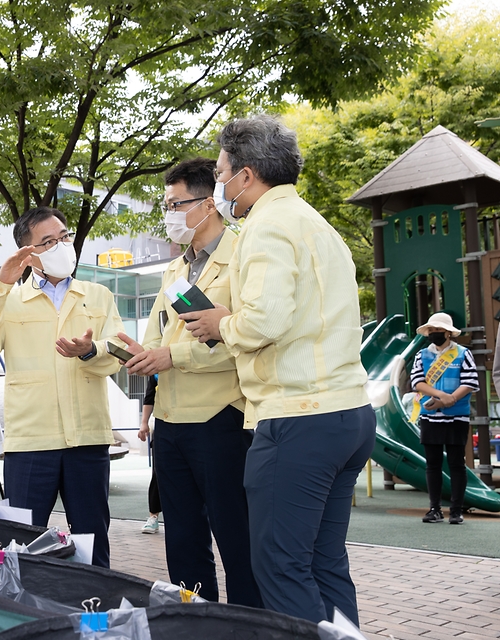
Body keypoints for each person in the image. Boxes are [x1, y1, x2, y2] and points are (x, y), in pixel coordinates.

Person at [180, 115, 376, 625]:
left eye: (221, 174)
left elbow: (265, 319)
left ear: (247, 175)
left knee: (280, 565)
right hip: (346, 412)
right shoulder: (315, 222)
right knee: (325, 562)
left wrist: (223, 322)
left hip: (297, 416)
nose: (218, 185)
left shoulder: (265, 226)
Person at [119, 158, 261, 607]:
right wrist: (134, 354)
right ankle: (195, 624)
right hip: (171, 423)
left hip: (222, 418)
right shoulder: (174, 269)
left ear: (208, 204)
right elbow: (158, 337)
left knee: (236, 537)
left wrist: (169, 355)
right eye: (165, 205)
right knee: (181, 541)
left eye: (174, 204)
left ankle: (246, 627)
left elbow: (241, 338)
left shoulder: (241, 256)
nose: (168, 214)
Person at [0, 206, 125, 567]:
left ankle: (93, 611)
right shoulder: (10, 299)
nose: (62, 245)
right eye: (48, 241)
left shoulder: (96, 295)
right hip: (31, 440)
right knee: (22, 542)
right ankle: (24, 614)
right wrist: (1, 283)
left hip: (88, 439)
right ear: (29, 254)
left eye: (64, 236)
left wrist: (91, 350)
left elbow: (119, 351)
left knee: (92, 538)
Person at [410, 313, 477, 525]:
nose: (433, 334)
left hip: (457, 416)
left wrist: (450, 400)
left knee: (457, 463)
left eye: (437, 330)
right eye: (431, 331)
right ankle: (434, 508)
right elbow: (417, 382)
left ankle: (456, 510)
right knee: (433, 464)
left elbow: (470, 382)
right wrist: (441, 397)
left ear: (448, 332)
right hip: (430, 416)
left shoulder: (463, 354)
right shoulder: (422, 355)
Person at [138, 374, 160, 534]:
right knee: (158, 474)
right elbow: (149, 398)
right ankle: (153, 516)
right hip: (163, 425)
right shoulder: (156, 373)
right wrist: (144, 423)